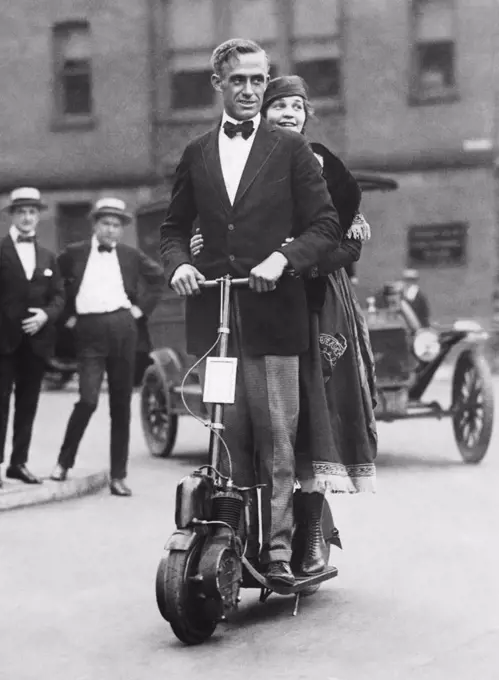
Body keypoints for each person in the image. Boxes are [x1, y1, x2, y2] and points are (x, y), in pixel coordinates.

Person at [160, 39, 343, 587]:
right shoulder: (196, 152)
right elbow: (173, 228)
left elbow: (327, 225)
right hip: (217, 320)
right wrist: (177, 267)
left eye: (258, 81)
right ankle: (228, 539)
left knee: (278, 436)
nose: (249, 91)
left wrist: (283, 259)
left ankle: (282, 551)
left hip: (275, 316)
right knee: (225, 433)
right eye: (238, 80)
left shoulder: (288, 148)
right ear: (217, 83)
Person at [190, 75, 378, 576]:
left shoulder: (322, 165)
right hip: (249, 300)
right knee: (239, 417)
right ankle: (237, 526)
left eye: (297, 106)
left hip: (316, 302)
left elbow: (346, 236)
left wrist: (296, 261)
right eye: (279, 107)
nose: (289, 114)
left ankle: (310, 533)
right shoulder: (242, 166)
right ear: (261, 117)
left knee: (311, 414)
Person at [50, 198, 164, 496]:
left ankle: (118, 475)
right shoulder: (74, 254)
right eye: (106, 224)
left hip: (123, 329)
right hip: (88, 331)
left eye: (117, 225)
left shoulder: (130, 255)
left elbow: (158, 279)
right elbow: (54, 285)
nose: (111, 230)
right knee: (87, 399)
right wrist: (67, 318)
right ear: (95, 224)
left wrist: (141, 311)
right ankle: (63, 462)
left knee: (120, 404)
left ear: (122, 229)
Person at [0, 187, 65, 487]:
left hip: (36, 343)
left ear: (38, 217)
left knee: (28, 403)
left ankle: (18, 463)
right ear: (12, 215)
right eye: (21, 211)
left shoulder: (47, 256)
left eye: (32, 212)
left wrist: (45, 316)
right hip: (3, 342)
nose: (27, 217)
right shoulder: (1, 251)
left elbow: (59, 297)